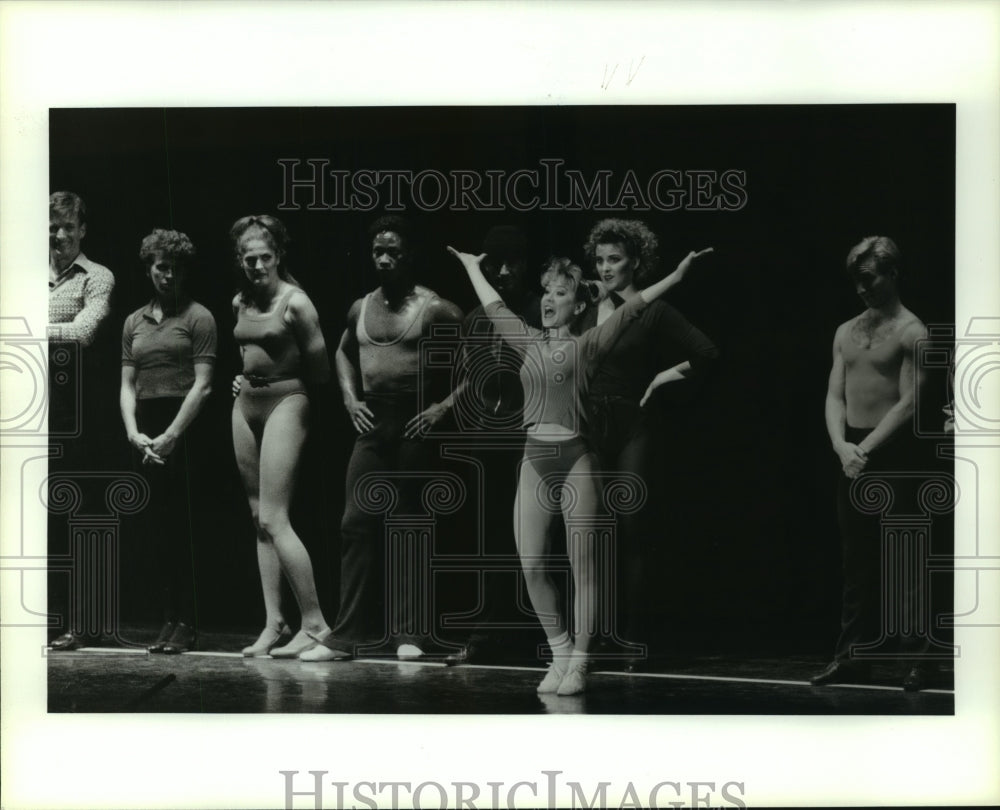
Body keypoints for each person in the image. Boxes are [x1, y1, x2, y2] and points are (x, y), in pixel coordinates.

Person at [447, 243, 711, 695]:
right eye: (546, 292)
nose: (550, 300)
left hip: (576, 463)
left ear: (579, 303)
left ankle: (581, 661)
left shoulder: (591, 343)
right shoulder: (526, 337)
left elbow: (635, 309)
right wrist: (472, 266)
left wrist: (677, 277)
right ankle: (560, 649)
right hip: (534, 460)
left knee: (583, 568)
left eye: (562, 294)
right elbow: (491, 304)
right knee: (531, 565)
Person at [301, 215, 464, 662]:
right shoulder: (360, 307)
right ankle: (346, 635)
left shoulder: (437, 309)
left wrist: (441, 408)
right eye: (378, 251)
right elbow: (341, 351)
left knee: (408, 525)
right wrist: (351, 399)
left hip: (414, 424)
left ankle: (409, 634)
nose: (385, 258)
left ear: (409, 254)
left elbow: (480, 364)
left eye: (393, 251)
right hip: (373, 425)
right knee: (355, 524)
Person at [580, 219, 719, 670]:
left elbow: (706, 352)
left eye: (615, 260)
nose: (605, 268)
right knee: (591, 534)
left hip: (632, 426)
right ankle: (594, 635)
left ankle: (634, 637)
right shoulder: (585, 307)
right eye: (600, 260)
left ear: (635, 262)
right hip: (588, 428)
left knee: (632, 530)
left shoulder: (653, 310)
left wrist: (662, 377)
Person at [811, 236, 930, 690]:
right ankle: (852, 657)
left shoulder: (912, 331)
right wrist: (842, 445)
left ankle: (917, 660)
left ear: (892, 274)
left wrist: (866, 449)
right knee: (856, 562)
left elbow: (910, 402)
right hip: (854, 452)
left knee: (905, 560)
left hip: (895, 450)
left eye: (869, 279)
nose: (861, 289)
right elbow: (834, 393)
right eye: (856, 282)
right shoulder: (846, 330)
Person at [230, 214, 333, 658]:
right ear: (240, 260)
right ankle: (275, 622)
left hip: (288, 402)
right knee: (258, 519)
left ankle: (316, 624)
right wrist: (244, 378)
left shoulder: (297, 302)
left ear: (278, 257)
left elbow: (321, 371)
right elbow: (247, 351)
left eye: (265, 257)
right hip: (245, 406)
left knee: (275, 518)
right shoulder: (240, 301)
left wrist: (284, 386)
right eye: (249, 258)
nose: (257, 266)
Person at [444, 225, 543, 666]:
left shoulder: (542, 309)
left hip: (533, 437)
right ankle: (487, 634)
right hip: (488, 439)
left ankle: (541, 636)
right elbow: (472, 377)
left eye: (513, 262)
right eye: (495, 263)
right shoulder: (474, 318)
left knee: (535, 542)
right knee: (492, 539)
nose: (504, 271)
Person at [120, 229, 216, 653]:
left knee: (187, 529)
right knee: (160, 529)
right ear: (149, 268)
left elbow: (205, 385)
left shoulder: (199, 317)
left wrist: (173, 434)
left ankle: (189, 622)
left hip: (186, 427)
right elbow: (127, 384)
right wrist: (132, 431)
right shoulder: (133, 321)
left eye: (176, 268)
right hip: (147, 432)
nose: (168, 274)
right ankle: (169, 619)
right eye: (161, 267)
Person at [47, 191, 116, 651]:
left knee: (77, 514)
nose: (58, 235)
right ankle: (45, 617)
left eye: (67, 227)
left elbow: (86, 331)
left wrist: (24, 328)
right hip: (28, 410)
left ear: (82, 230)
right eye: (52, 227)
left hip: (77, 413)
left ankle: (83, 621)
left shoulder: (97, 276)